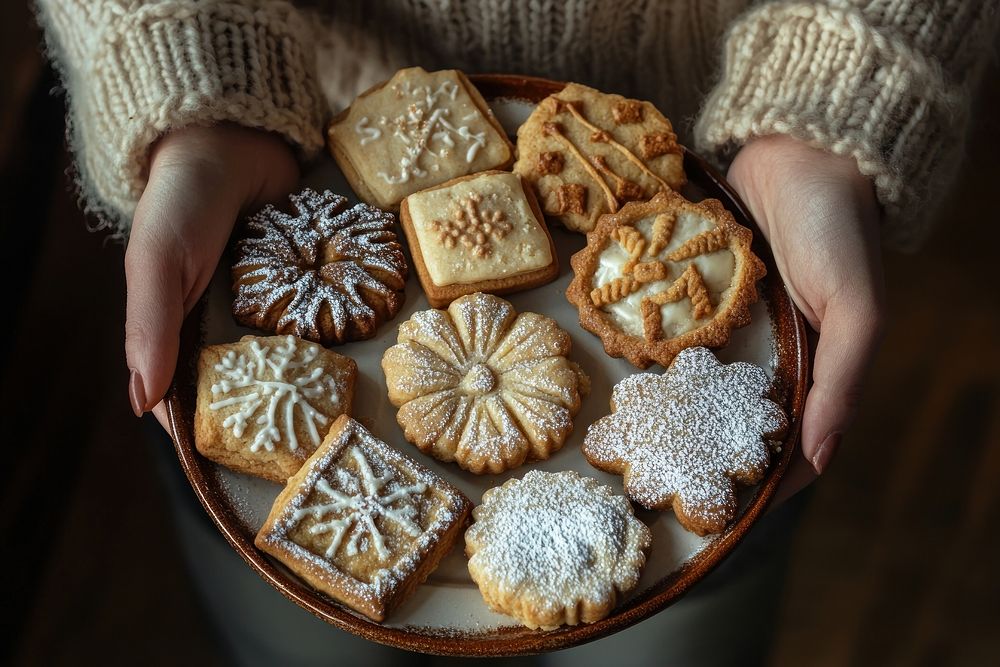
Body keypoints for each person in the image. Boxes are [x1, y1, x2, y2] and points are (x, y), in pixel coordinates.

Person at [34, 1, 999, 664]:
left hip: (725, 149)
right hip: (292, 143)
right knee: (297, 638)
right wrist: (199, 87)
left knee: (682, 635)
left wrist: (828, 113)